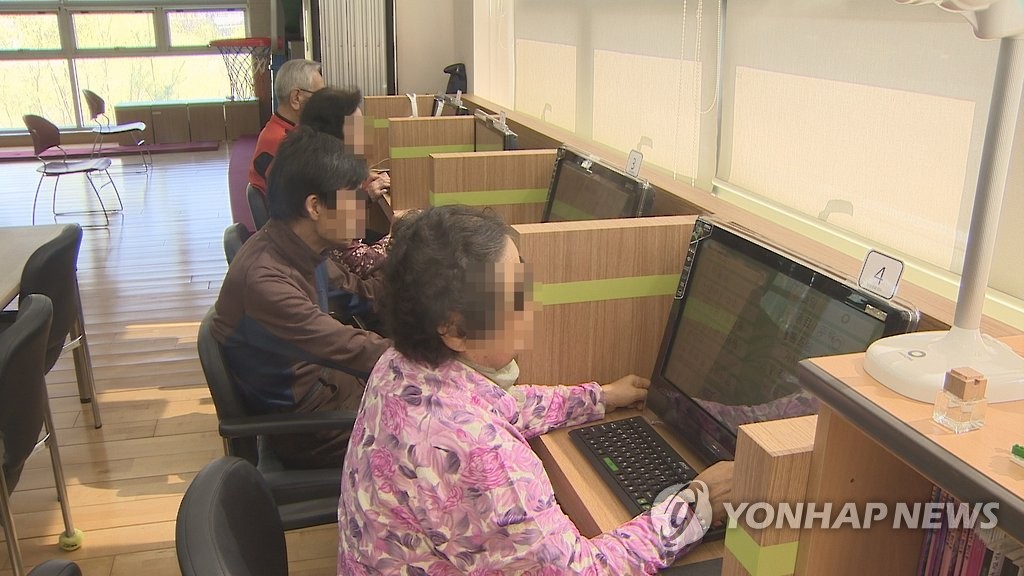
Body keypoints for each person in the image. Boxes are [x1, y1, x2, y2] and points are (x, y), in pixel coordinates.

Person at [337, 205, 734, 574]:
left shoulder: (400, 365)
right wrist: (696, 504)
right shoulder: (479, 452)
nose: (531, 303)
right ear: (455, 329)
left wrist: (599, 398)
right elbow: (583, 570)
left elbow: (502, 406)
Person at [213, 127, 390, 469]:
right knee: (440, 431)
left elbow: (360, 295)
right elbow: (351, 347)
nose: (360, 210)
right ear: (315, 206)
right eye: (352, 199)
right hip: (313, 427)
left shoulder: (300, 247)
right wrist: (439, 358)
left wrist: (415, 275)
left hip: (333, 388)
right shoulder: (266, 280)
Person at [298, 86, 391, 278]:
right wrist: (399, 235)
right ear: (334, 137)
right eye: (357, 128)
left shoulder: (312, 161)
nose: (365, 134)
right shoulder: (330, 178)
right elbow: (358, 263)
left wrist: (364, 196)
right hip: (346, 282)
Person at [248, 59, 325, 195]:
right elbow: (310, 195)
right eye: (319, 96)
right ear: (296, 98)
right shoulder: (281, 141)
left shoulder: (285, 130)